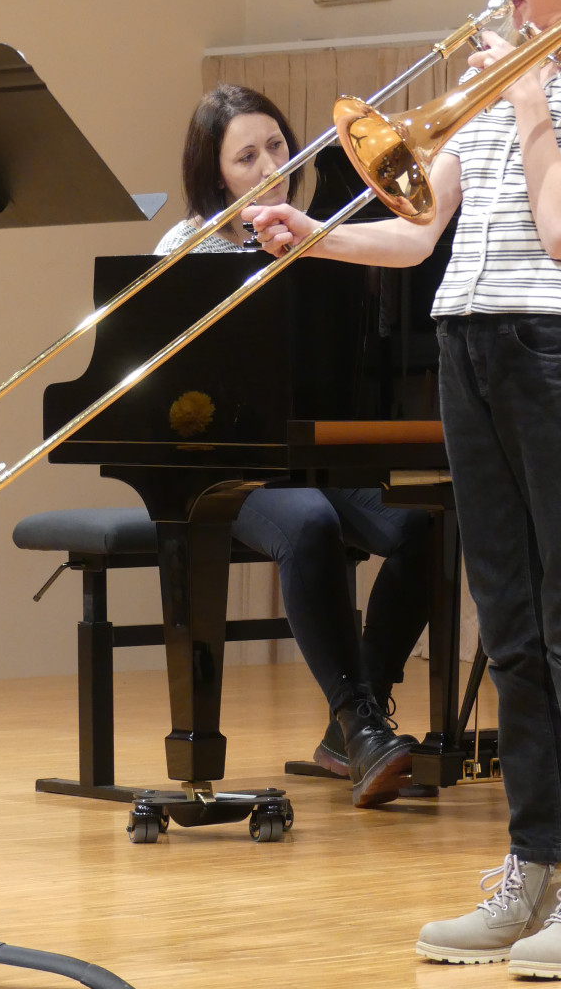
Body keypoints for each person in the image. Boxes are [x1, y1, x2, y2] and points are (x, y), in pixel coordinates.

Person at [248, 0, 561, 979]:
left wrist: (531, 101)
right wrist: (315, 238)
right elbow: (417, 232)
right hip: (467, 346)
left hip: (554, 350)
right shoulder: (494, 74)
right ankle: (532, 865)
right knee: (512, 627)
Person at [156, 84, 433, 809]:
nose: (270, 166)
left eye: (277, 145)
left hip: (312, 452)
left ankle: (356, 719)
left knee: (427, 520)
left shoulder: (318, 236)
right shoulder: (187, 248)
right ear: (217, 174)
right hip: (227, 467)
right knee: (308, 520)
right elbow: (173, 396)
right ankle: (360, 723)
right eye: (246, 157)